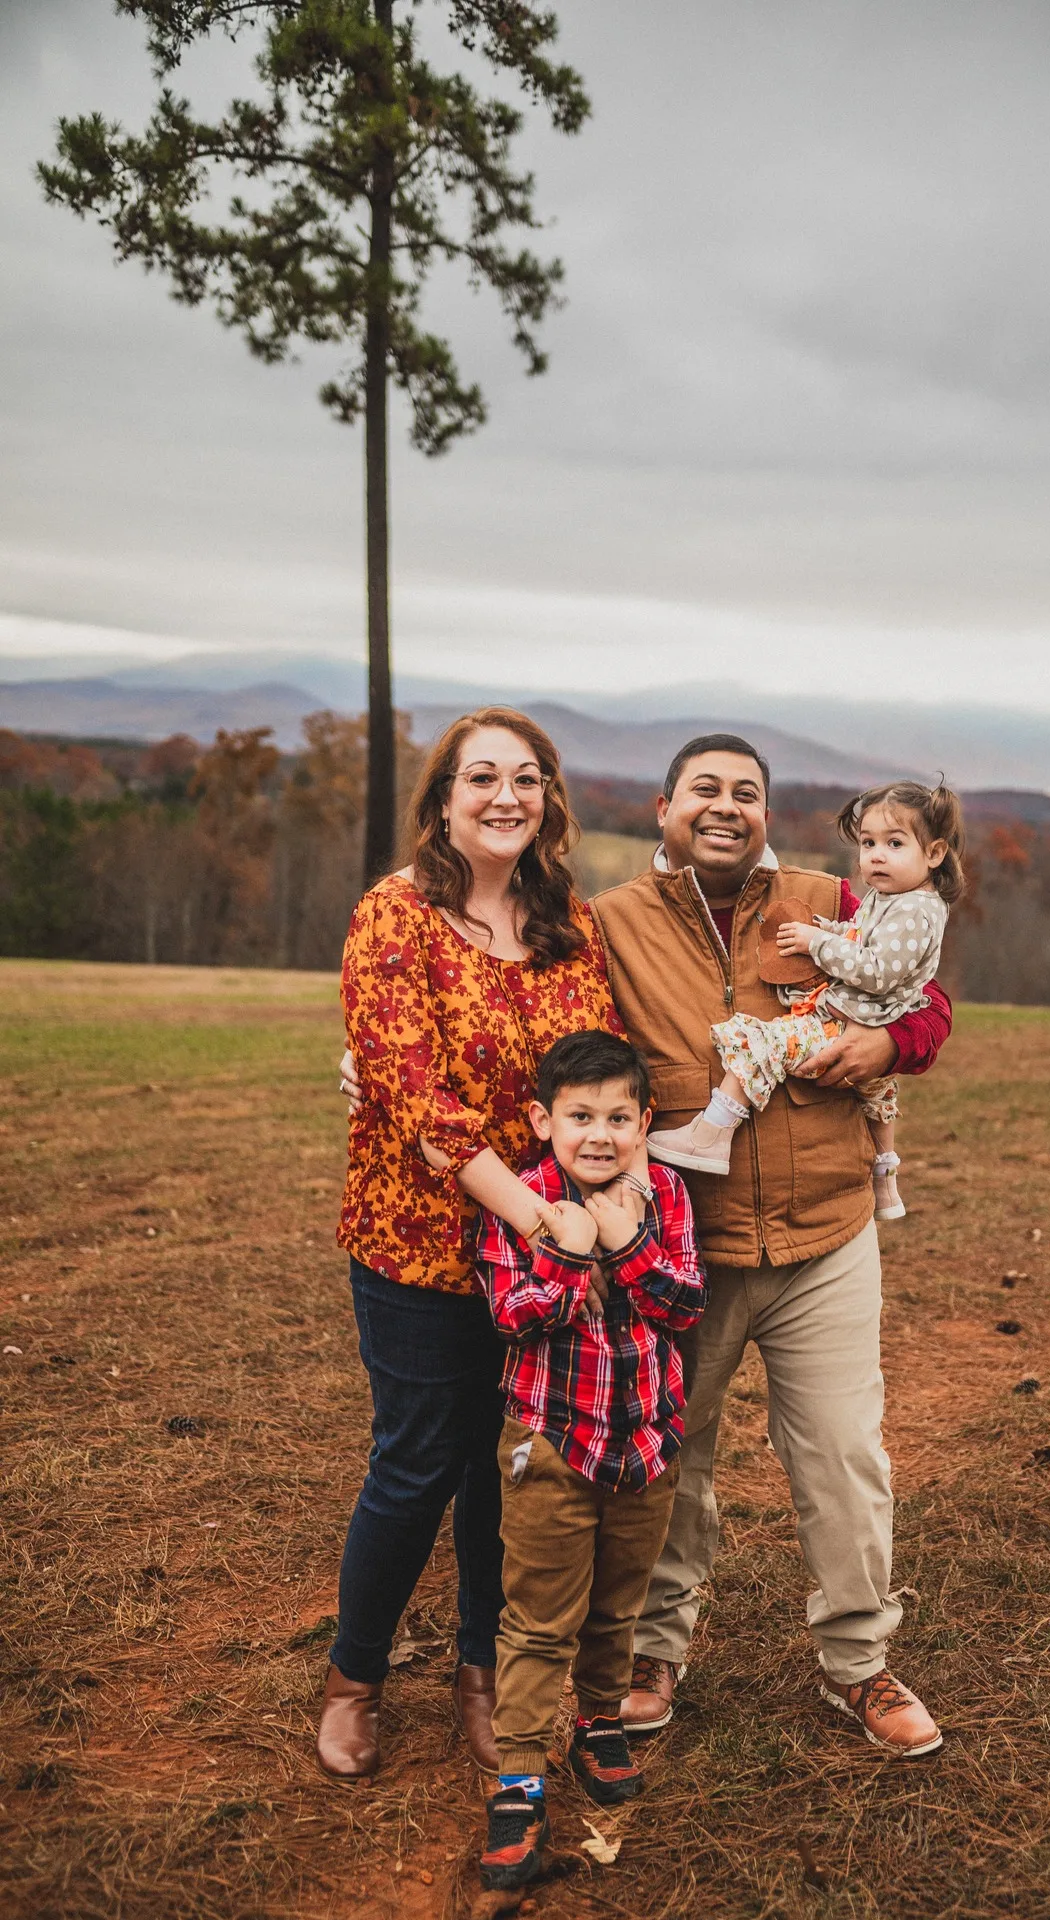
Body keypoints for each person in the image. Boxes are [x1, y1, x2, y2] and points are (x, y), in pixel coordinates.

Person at [591, 735, 952, 1755]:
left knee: (843, 1454)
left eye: (746, 792)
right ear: (664, 807)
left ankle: (861, 1664)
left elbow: (924, 993)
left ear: (766, 813)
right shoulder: (611, 921)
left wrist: (891, 1043)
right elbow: (550, 1035)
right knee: (673, 1456)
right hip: (682, 1248)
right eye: (704, 788)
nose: (726, 805)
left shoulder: (828, 893)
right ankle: (656, 1648)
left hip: (826, 1231)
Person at [317, 710, 620, 1783]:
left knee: (511, 1471)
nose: (506, 795)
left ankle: (483, 1672)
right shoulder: (392, 915)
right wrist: (536, 1215)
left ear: (549, 797)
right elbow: (414, 1093)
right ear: (442, 795)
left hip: (546, 1254)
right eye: (481, 776)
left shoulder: (567, 920)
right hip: (422, 1245)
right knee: (419, 1460)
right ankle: (355, 1676)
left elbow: (599, 1065)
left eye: (527, 777)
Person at [474, 1031, 707, 1890]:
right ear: (542, 1121)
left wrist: (628, 1244)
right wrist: (573, 1253)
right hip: (551, 1447)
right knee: (539, 1618)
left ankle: (599, 1719)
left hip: (645, 1444)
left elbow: (684, 1302)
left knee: (618, 1604)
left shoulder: (668, 1197)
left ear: (646, 1121)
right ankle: (520, 1773)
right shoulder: (526, 1201)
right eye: (579, 1116)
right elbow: (510, 1313)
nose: (599, 1135)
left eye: (618, 1116)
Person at [648, 779, 966, 1225]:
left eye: (894, 843)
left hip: (851, 1017)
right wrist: (822, 929)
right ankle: (885, 1180)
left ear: (933, 854)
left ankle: (713, 1131)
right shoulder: (890, 898)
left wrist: (816, 942)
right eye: (868, 842)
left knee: (764, 1041)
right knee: (878, 1094)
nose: (875, 855)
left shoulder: (913, 910)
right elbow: (857, 935)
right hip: (864, 1014)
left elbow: (877, 970)